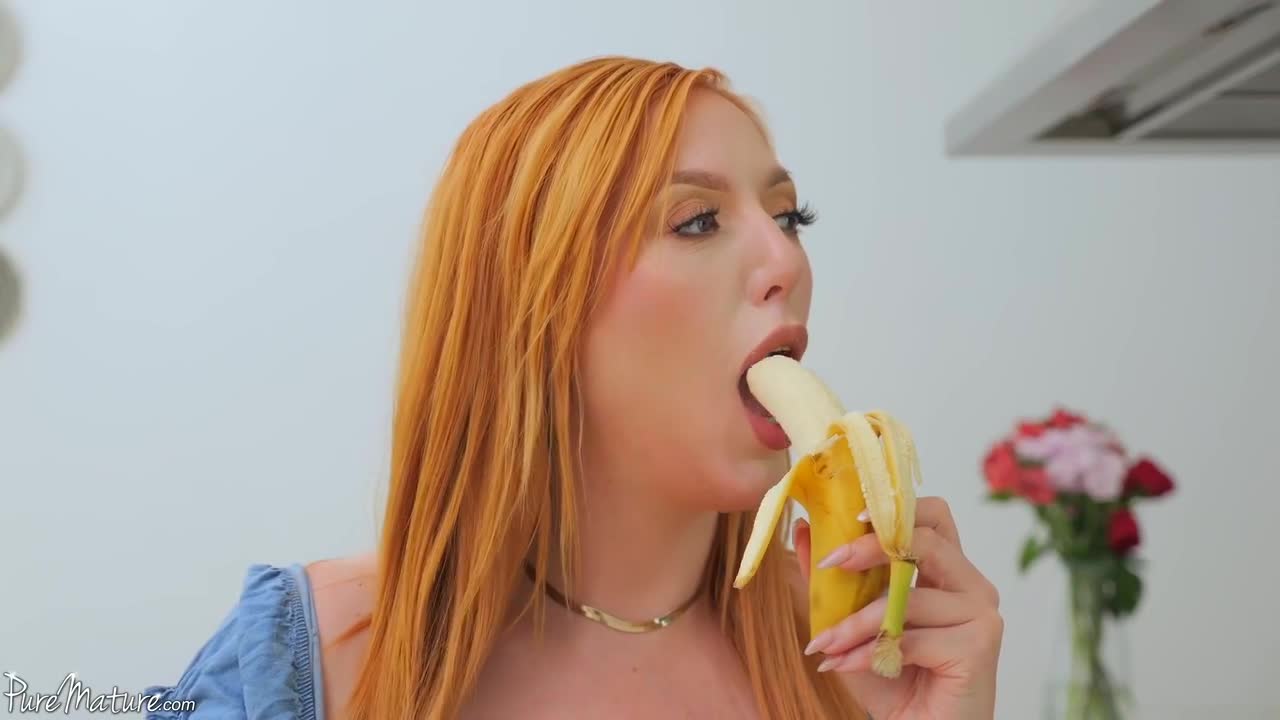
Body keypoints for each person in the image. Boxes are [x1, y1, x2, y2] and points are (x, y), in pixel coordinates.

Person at [142, 56, 1003, 720]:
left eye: (788, 217)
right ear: (534, 309)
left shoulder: (852, 658)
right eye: (697, 221)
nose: (787, 260)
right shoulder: (306, 661)